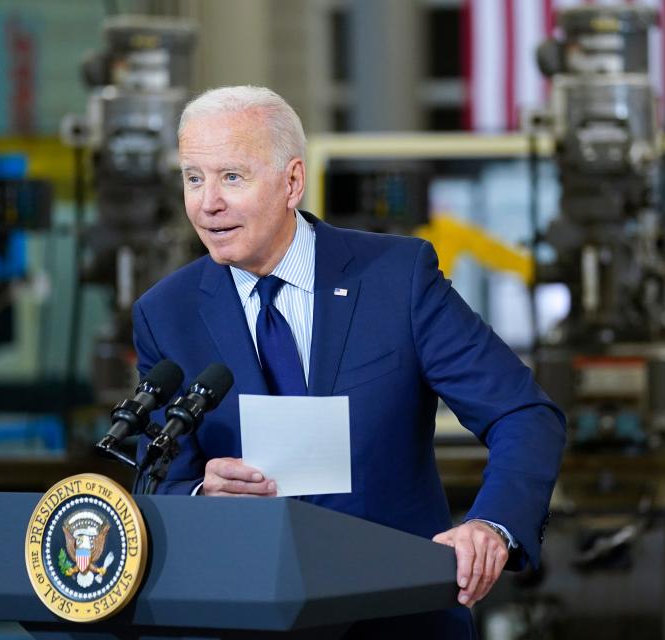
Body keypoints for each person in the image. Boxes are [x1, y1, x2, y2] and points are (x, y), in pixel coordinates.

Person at [132, 85, 565, 638]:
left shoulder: (396, 278)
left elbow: (524, 415)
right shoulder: (166, 314)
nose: (207, 202)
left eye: (231, 177)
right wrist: (199, 496)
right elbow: (157, 481)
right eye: (194, 178)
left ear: (292, 182)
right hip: (247, 619)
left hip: (399, 618)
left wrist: (492, 526)